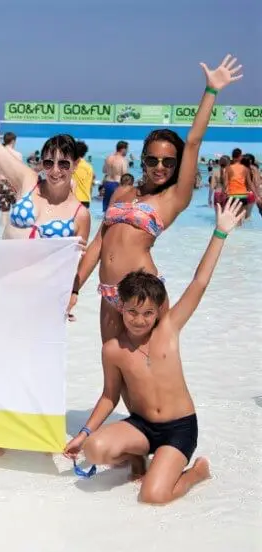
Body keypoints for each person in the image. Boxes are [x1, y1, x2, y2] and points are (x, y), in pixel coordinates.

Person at [64, 199, 245, 505]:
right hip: (142, 427)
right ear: (120, 307)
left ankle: (195, 473)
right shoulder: (113, 349)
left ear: (158, 310)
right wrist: (82, 434)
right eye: (132, 312)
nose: (139, 320)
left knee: (153, 497)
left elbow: (199, 281)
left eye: (148, 313)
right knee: (94, 449)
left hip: (179, 430)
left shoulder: (169, 328)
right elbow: (110, 396)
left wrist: (220, 232)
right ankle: (138, 457)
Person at [71, 55, 243, 339]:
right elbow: (99, 243)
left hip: (144, 298)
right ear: (143, 160)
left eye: (168, 162)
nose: (160, 167)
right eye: (153, 160)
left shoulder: (174, 198)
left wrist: (211, 91)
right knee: (113, 377)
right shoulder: (124, 191)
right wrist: (75, 286)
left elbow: (193, 142)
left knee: (148, 375)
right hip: (109, 293)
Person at [0, 73, 90, 243]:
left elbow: (77, 264)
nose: (55, 170)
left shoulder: (80, 214)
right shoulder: (28, 181)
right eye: (49, 163)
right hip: (4, 268)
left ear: (76, 164)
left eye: (64, 164)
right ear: (42, 163)